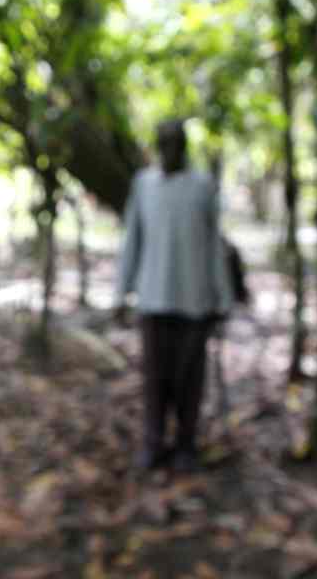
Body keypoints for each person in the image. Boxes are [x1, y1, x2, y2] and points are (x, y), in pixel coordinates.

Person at [115, 118, 236, 472]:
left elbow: (214, 245)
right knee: (155, 379)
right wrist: (121, 293)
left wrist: (222, 298)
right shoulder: (144, 184)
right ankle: (153, 443)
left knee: (189, 379)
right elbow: (132, 241)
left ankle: (186, 444)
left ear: (183, 147)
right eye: (162, 143)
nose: (168, 150)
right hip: (153, 299)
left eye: (174, 143)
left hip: (194, 301)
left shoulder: (202, 186)